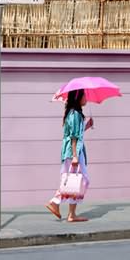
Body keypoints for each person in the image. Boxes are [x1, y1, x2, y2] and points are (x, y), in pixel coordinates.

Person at [45, 89, 94, 222]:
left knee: (75, 181)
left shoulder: (76, 114)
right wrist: (74, 156)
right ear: (78, 97)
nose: (86, 99)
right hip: (74, 152)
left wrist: (87, 125)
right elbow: (73, 137)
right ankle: (55, 202)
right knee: (78, 180)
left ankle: (71, 213)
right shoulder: (75, 114)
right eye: (84, 96)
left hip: (75, 151)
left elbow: (77, 132)